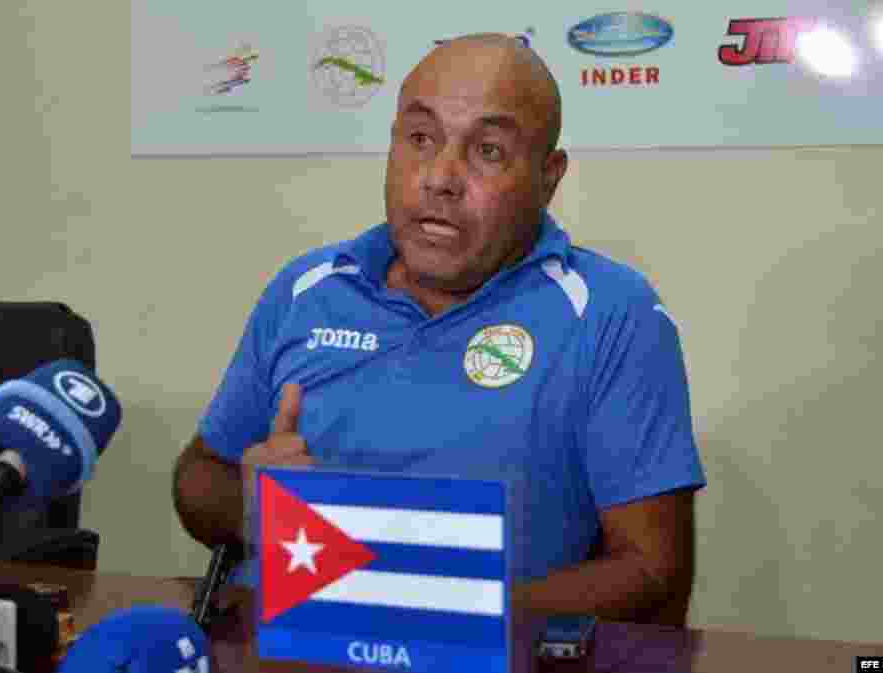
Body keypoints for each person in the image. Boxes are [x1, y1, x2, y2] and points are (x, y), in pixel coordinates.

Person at [173, 33, 706, 626]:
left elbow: (654, 576)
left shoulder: (611, 313)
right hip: (286, 648)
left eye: (488, 151)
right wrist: (253, 509)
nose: (440, 178)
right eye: (421, 139)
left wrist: (438, 617)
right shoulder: (308, 288)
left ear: (548, 177)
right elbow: (198, 476)